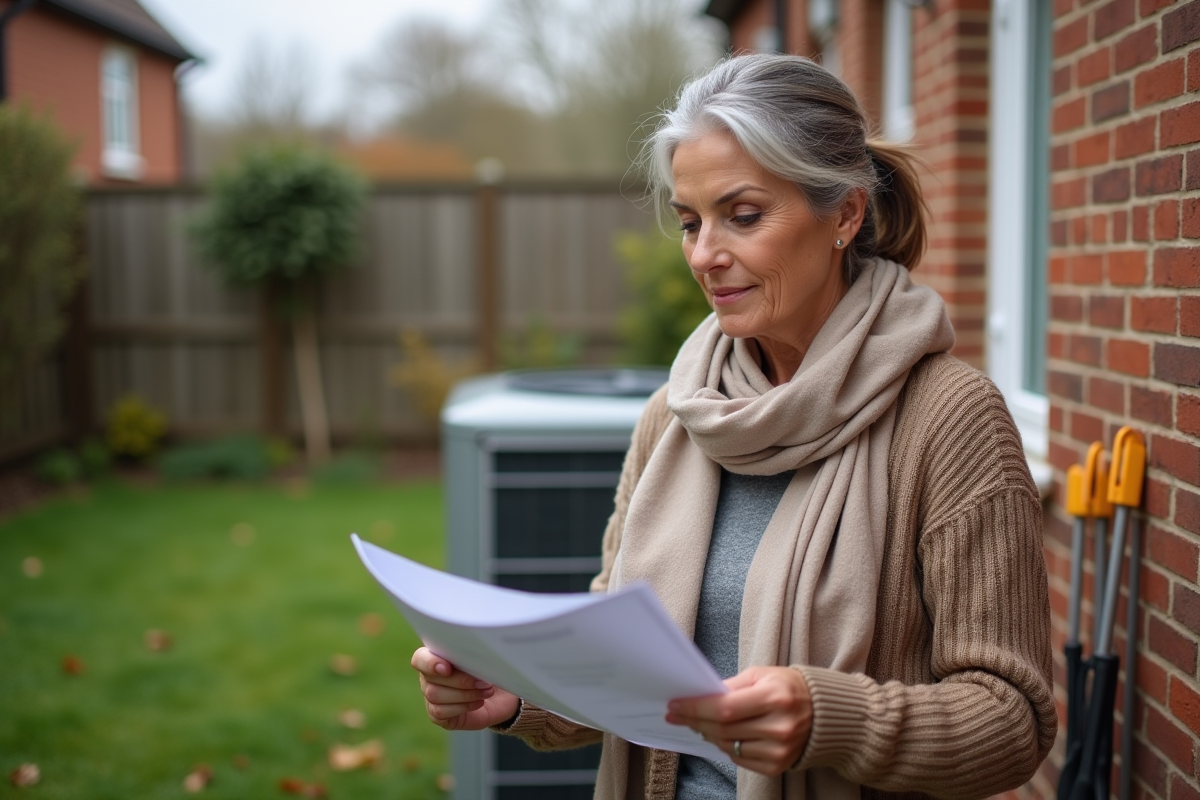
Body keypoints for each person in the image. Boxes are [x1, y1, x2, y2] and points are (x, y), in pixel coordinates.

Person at [411, 53, 1056, 800]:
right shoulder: (678, 414)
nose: (704, 255)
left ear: (845, 214)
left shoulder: (950, 420)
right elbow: (619, 664)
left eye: (742, 216)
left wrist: (833, 719)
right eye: (690, 223)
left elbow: (1013, 722)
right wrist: (522, 692)